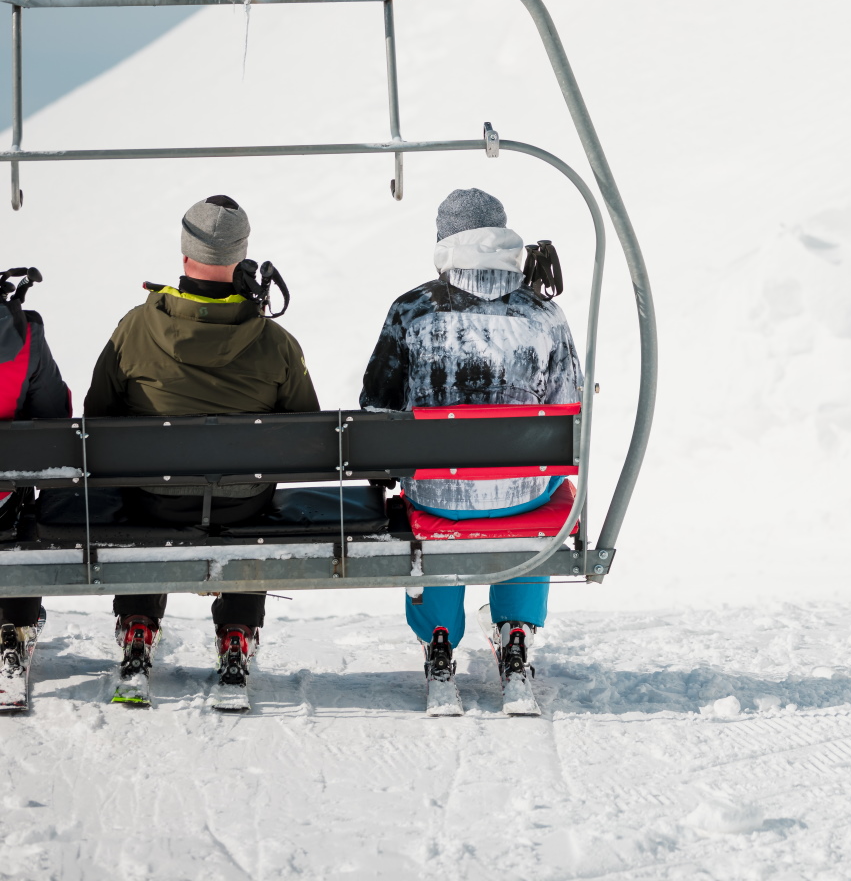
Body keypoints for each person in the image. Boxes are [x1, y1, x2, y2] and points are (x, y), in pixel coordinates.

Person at [84, 195, 318, 687]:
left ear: (186, 254)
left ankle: (139, 625)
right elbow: (306, 433)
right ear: (241, 257)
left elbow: (96, 418)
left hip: (154, 502)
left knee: (134, 489)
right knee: (252, 491)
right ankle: (236, 630)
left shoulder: (135, 327)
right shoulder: (275, 342)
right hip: (243, 505)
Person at [359, 188, 581, 704]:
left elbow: (376, 405)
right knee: (536, 491)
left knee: (432, 496)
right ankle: (517, 635)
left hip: (436, 489)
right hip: (524, 493)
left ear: (444, 245)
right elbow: (569, 406)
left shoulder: (412, 309)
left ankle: (439, 640)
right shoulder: (545, 313)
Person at [0, 268, 72, 680]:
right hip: (2, 500)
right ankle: (16, 625)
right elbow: (54, 423)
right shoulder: (26, 339)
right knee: (24, 493)